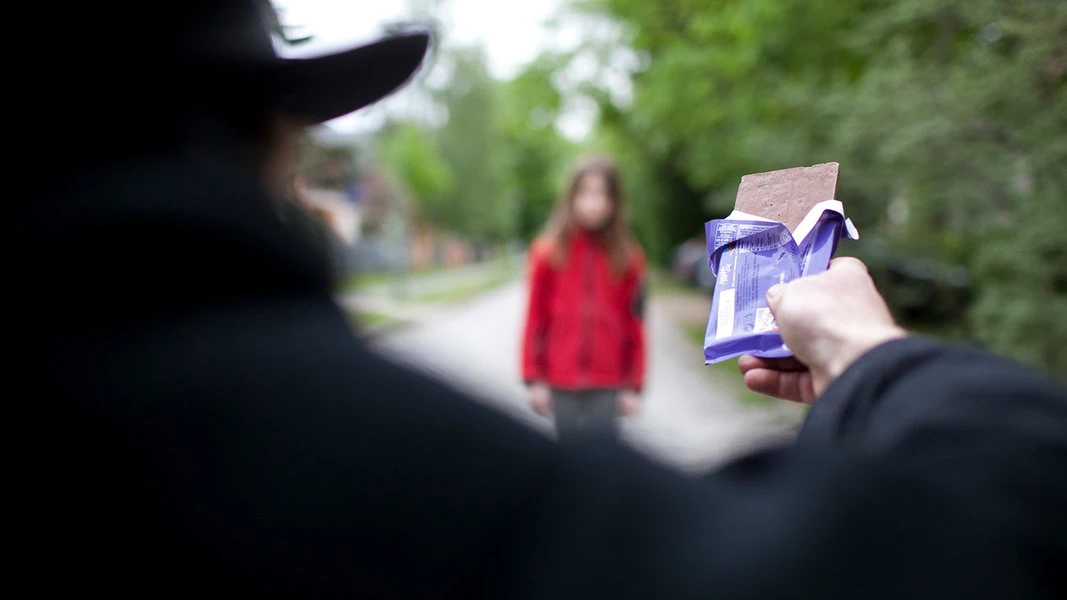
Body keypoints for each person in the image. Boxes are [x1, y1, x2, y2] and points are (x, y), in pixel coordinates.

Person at [11, 1, 1067, 597]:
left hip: (601, 378)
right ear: (247, 126)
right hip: (558, 379)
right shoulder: (342, 467)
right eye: (298, 128)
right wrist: (868, 353)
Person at [521, 155, 647, 440]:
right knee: (567, 458)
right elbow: (534, 319)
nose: (593, 203)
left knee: (602, 460)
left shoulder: (629, 258)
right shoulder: (547, 253)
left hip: (608, 381)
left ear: (614, 202)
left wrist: (633, 384)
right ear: (571, 197)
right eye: (585, 193)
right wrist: (534, 378)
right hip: (559, 379)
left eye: (601, 194)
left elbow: (635, 323)